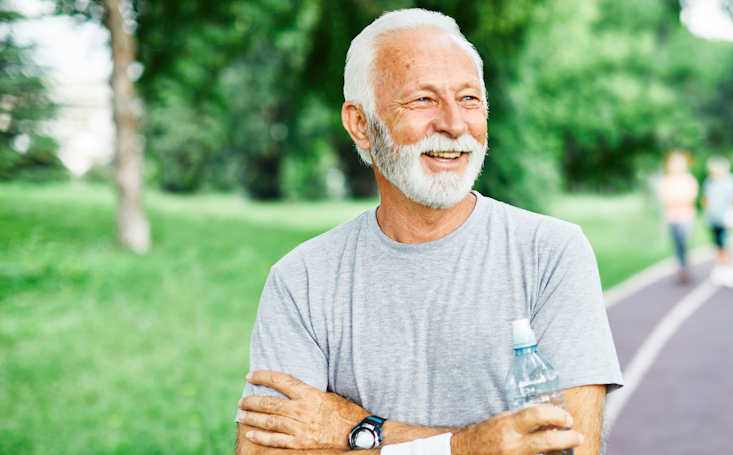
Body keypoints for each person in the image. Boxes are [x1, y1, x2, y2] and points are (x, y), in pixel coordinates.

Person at [233, 9, 622, 455]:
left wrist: (353, 430)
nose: (455, 125)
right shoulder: (301, 280)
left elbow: (566, 450)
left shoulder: (551, 253)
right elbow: (262, 450)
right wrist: (470, 446)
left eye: (470, 99)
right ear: (361, 124)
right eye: (423, 100)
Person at [656, 151, 699, 283]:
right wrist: (678, 199)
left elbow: (690, 198)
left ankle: (685, 267)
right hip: (672, 218)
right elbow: (665, 198)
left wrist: (676, 199)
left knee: (684, 244)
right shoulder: (666, 181)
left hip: (686, 217)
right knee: (676, 246)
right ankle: (681, 269)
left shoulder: (689, 180)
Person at [701, 155, 733, 288]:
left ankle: (732, 270)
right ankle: (719, 270)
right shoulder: (709, 182)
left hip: (727, 218)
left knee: (727, 244)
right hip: (713, 218)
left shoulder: (732, 181)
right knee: (717, 245)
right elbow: (706, 199)